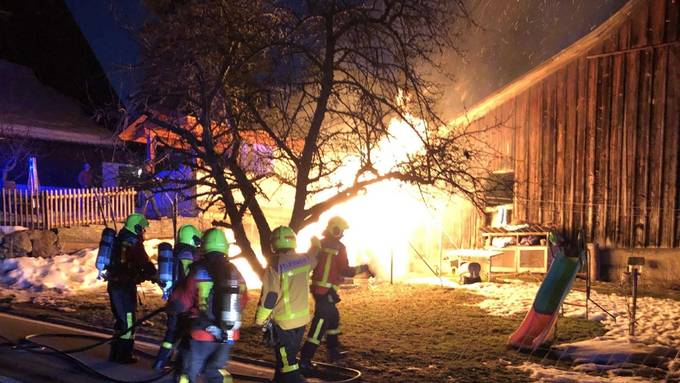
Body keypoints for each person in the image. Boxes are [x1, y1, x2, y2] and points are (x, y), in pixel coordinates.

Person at [168, 228, 247, 383]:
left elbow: (184, 300)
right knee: (214, 371)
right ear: (224, 247)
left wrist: (173, 307)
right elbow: (243, 299)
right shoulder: (235, 271)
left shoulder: (199, 270)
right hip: (227, 335)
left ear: (204, 246)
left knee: (185, 374)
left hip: (201, 334)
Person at [299, 216, 371, 368]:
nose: (343, 233)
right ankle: (305, 359)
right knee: (320, 324)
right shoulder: (339, 247)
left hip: (318, 290)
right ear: (335, 229)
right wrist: (364, 268)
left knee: (333, 318)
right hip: (326, 292)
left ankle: (333, 351)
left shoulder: (319, 244)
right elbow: (346, 270)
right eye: (342, 230)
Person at [255, 226, 319, 383]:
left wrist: (259, 319)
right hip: (301, 322)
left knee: (288, 366)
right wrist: (316, 243)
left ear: (273, 244)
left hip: (284, 325)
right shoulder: (305, 260)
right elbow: (314, 255)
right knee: (284, 360)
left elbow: (270, 296)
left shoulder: (274, 264)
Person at [106, 213, 157, 364]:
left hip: (115, 285)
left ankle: (115, 353)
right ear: (136, 227)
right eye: (142, 229)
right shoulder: (133, 242)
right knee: (128, 321)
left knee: (120, 320)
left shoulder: (120, 238)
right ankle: (123, 355)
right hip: (124, 287)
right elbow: (145, 263)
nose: (144, 232)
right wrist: (154, 275)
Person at [153, 224, 203, 371]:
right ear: (193, 238)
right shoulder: (188, 254)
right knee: (187, 334)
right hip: (184, 302)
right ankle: (184, 368)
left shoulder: (176, 252)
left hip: (173, 300)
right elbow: (190, 277)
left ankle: (160, 362)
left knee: (171, 333)